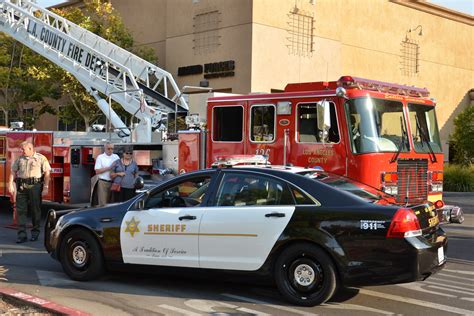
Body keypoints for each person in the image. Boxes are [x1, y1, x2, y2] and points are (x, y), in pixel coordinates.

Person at [8, 141, 51, 243]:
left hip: (35, 186)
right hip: (22, 187)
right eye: (21, 149)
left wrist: (45, 187)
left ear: (30, 149)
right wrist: (10, 184)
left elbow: (47, 173)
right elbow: (13, 172)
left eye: (23, 149)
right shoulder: (20, 159)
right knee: (21, 210)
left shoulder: (41, 158)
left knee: (35, 210)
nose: (21, 151)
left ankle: (35, 233)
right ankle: (22, 235)